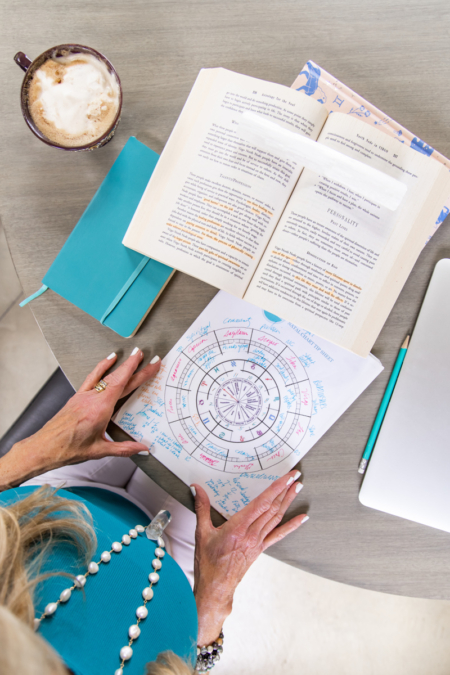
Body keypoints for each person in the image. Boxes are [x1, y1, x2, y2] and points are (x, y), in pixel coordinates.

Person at [0, 348, 308, 674]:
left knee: (180, 368)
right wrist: (213, 602)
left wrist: (36, 452)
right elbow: (196, 666)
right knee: (261, 436)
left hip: (62, 488)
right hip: (176, 563)